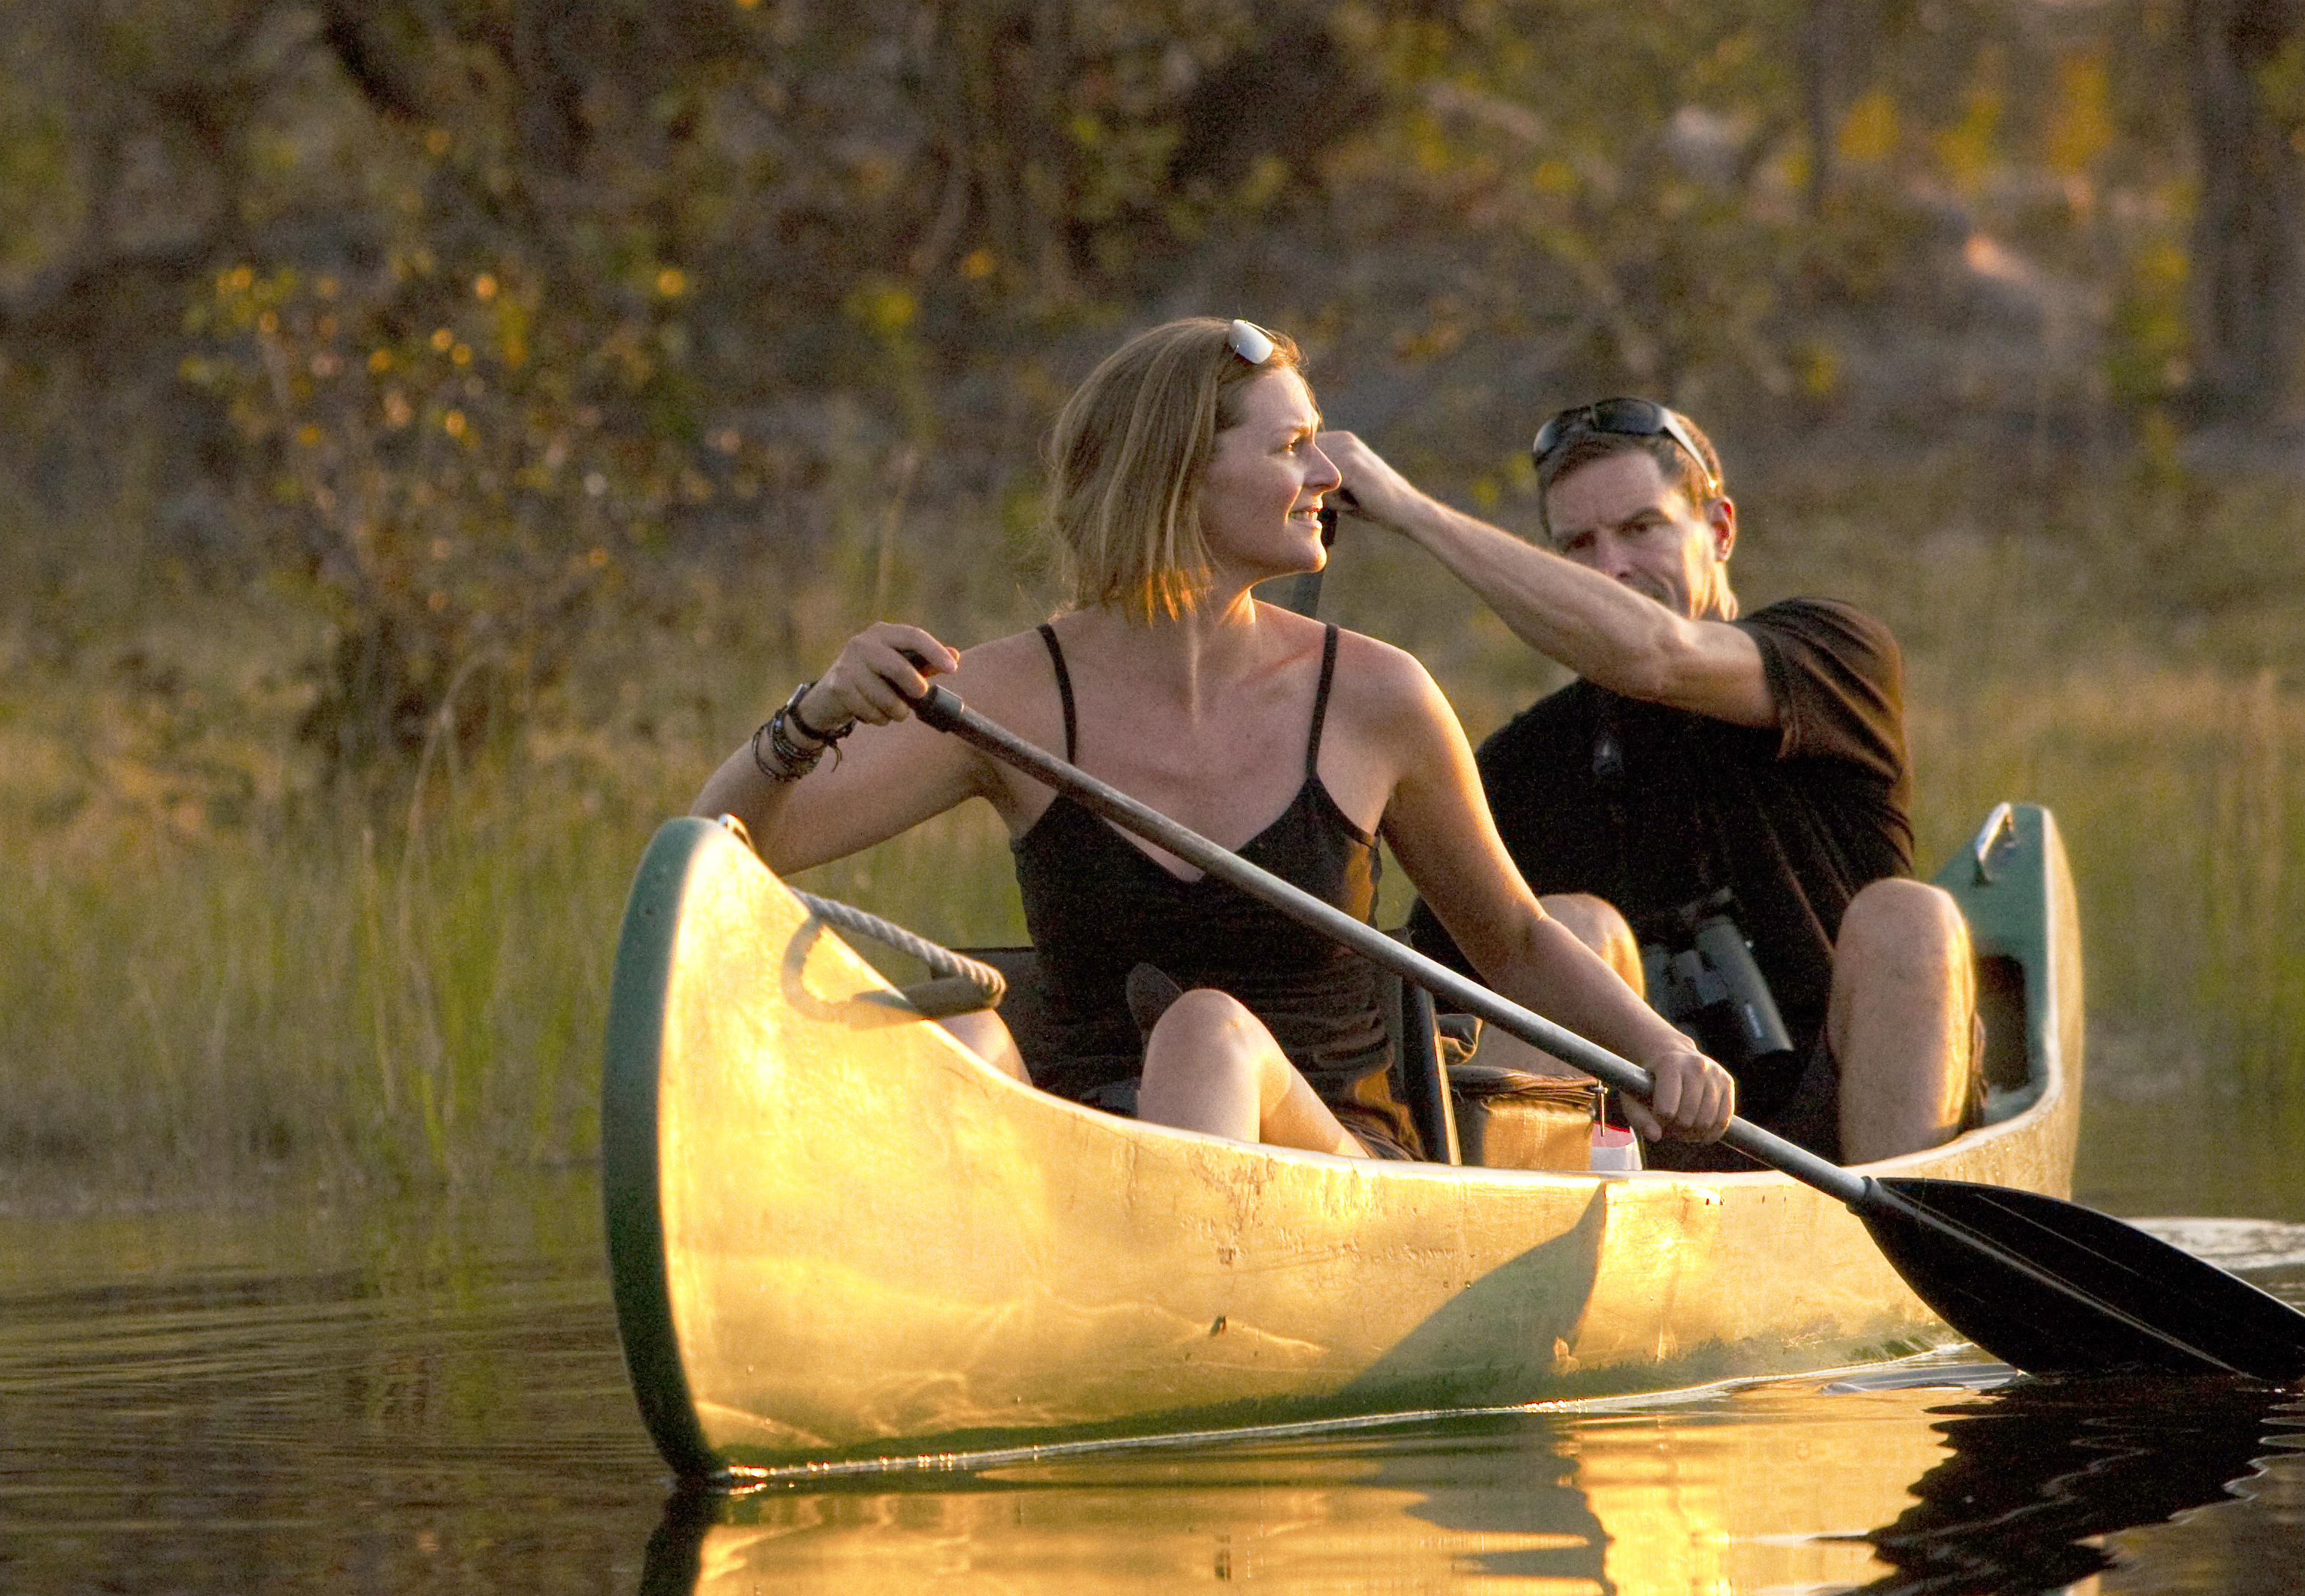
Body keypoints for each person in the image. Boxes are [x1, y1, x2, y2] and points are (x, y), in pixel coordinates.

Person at [690, 317, 1733, 1160]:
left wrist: (1662, 1053)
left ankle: (1186, 1333)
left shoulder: (1376, 696)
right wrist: (811, 719)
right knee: (959, 1038)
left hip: (1332, 1165)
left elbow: (1509, 940)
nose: (1330, 472)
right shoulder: (1006, 693)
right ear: (1176, 475)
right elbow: (713, 860)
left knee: (1208, 1031)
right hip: (1089, 1162)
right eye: (1290, 447)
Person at [1321, 396, 1976, 1164]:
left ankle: (1899, 1243)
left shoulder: (1832, 657)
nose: (1612, 570)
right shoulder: (1517, 765)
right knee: (1573, 929)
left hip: (1847, 1127)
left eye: (1643, 529)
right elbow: (1433, 1003)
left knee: (1912, 916)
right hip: (1625, 1151)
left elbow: (1657, 656)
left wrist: (1412, 513)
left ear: (1719, 530)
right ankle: (1517, 1250)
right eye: (1578, 547)